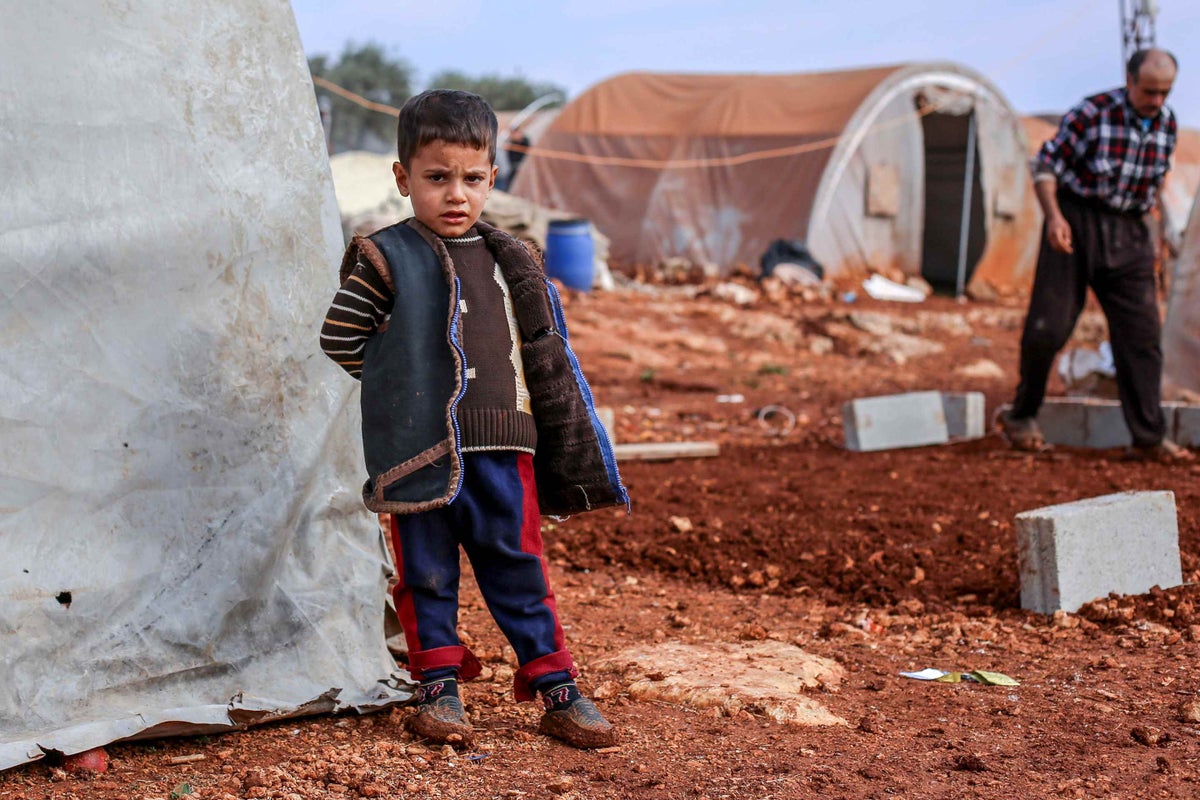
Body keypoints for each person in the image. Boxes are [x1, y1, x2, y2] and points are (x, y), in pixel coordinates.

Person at [320, 89, 628, 749]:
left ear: (492, 178)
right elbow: (342, 339)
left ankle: (557, 687)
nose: (455, 194)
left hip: (505, 447)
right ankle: (438, 688)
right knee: (425, 572)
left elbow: (543, 353)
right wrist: (399, 388)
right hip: (420, 450)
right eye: (436, 178)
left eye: (472, 178)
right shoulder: (386, 258)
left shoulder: (511, 258)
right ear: (403, 179)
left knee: (518, 564)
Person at [998, 48, 1193, 463]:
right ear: (1129, 81)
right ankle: (1022, 415)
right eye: (1149, 91)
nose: (1157, 101)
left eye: (1165, 93)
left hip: (1130, 231)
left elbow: (1155, 184)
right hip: (1076, 221)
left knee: (1141, 338)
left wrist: (1156, 237)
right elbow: (1045, 167)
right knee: (1048, 326)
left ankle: (1148, 438)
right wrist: (1053, 218)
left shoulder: (1167, 124)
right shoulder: (1092, 114)